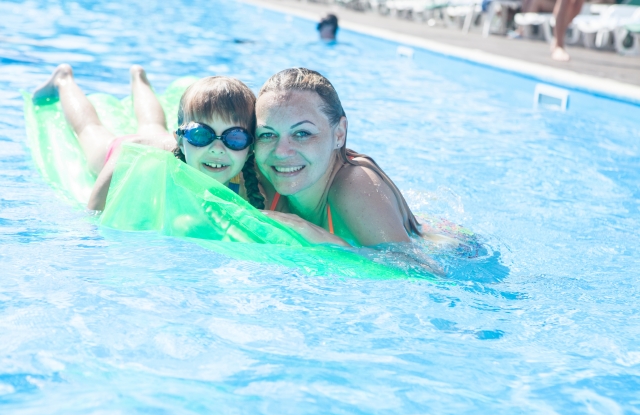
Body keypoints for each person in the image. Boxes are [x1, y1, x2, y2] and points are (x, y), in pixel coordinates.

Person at [254, 68, 455, 248]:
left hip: (453, 249)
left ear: (339, 134)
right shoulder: (260, 174)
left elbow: (419, 273)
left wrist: (322, 239)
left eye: (302, 133)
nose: (280, 151)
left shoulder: (355, 186)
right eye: (267, 135)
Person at [32, 65, 264, 211]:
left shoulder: (246, 177)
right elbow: (127, 150)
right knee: (89, 128)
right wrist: (94, 214)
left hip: (159, 138)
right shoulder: (158, 163)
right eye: (201, 134)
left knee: (152, 125)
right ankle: (63, 80)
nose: (218, 148)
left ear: (249, 146)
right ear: (182, 139)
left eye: (234, 138)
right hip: (125, 151)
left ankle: (139, 78)